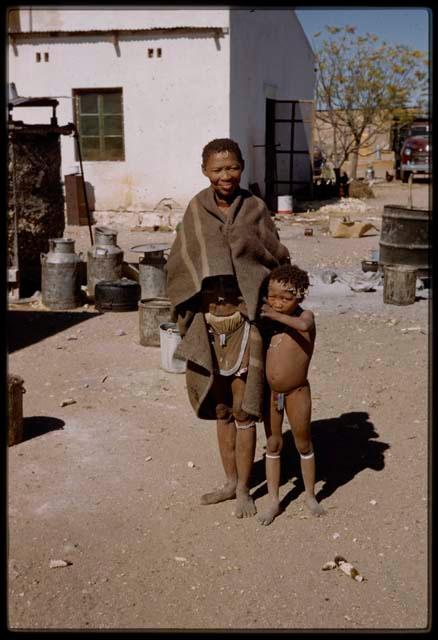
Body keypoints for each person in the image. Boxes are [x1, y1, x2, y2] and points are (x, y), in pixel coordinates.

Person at [166, 138, 290, 519]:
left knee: (244, 409)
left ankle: (242, 490)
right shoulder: (195, 210)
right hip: (207, 323)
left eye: (232, 167)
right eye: (218, 169)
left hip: (244, 322)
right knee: (220, 410)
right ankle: (228, 480)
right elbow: (179, 263)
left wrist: (273, 301)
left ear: (242, 168)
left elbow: (275, 255)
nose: (226, 176)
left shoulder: (254, 208)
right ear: (205, 170)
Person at [257, 263, 325, 525]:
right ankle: (273, 500)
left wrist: (275, 316)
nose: (277, 302)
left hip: (297, 392)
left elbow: (303, 325)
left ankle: (309, 494)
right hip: (272, 393)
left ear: (300, 296)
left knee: (303, 443)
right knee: (273, 443)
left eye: (286, 297)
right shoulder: (267, 319)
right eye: (272, 296)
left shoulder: (304, 316)